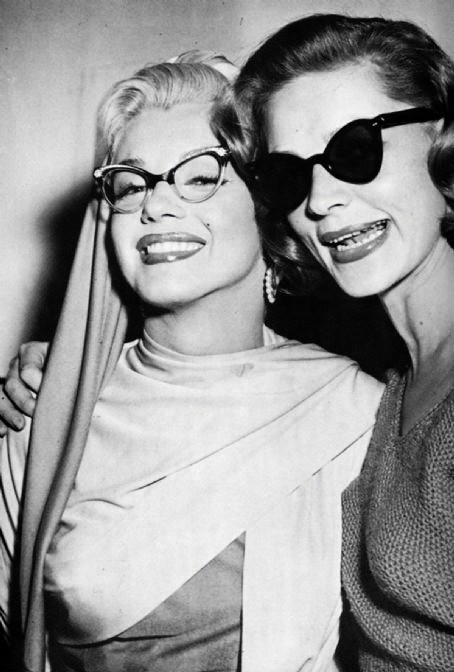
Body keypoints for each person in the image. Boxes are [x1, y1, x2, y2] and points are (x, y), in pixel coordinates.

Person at [0, 53, 383, 672]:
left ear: (266, 204)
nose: (156, 205)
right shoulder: (44, 418)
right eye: (131, 185)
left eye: (201, 176)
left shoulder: (357, 410)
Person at [225, 13, 454, 671]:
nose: (321, 200)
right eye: (290, 175)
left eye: (355, 150)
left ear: (444, 139)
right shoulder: (389, 372)